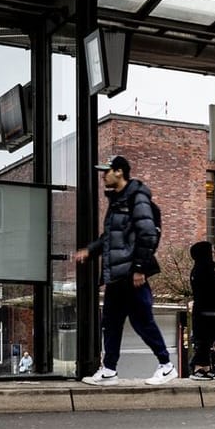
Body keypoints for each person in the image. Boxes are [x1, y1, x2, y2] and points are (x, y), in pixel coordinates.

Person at [72, 154, 175, 386]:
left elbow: (148, 234)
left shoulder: (136, 198)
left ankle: (166, 366)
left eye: (106, 171)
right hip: (117, 276)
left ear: (119, 171)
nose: (103, 176)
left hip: (131, 273)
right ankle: (109, 370)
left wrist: (139, 267)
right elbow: (110, 238)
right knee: (110, 322)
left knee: (142, 322)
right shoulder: (117, 200)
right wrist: (89, 251)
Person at [186, 240, 215, 381]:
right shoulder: (201, 271)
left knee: (208, 342)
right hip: (207, 313)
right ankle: (198, 368)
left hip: (211, 312)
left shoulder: (205, 270)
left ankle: (207, 368)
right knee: (204, 341)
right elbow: (206, 293)